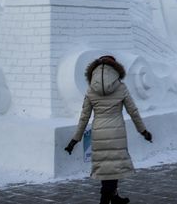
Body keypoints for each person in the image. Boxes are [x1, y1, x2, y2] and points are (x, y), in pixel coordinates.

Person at [65, 55, 152, 204]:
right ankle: (104, 199)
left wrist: (75, 139)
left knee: (107, 167)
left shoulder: (91, 90)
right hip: (116, 132)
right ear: (115, 68)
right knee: (114, 165)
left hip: (99, 133)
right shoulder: (121, 87)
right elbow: (133, 112)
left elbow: (84, 117)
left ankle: (114, 197)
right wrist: (143, 131)